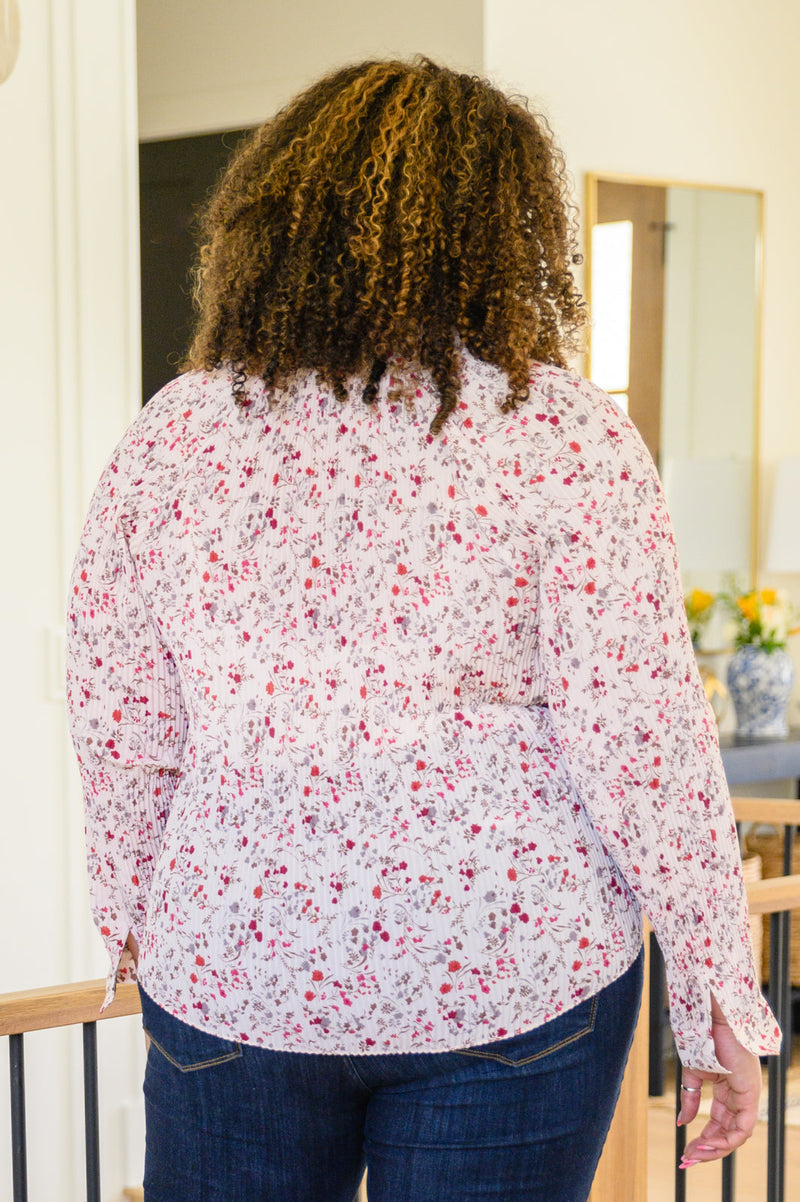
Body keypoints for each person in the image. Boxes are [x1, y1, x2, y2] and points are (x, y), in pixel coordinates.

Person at [66, 57, 779, 1202]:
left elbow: (121, 722)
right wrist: (716, 997)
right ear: (504, 232)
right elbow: (641, 738)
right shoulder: (561, 433)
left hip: (238, 967)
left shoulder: (174, 437)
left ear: (274, 219)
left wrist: (137, 913)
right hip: (509, 966)